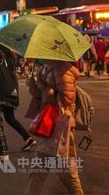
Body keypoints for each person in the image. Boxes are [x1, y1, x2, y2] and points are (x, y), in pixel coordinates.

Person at [26, 60, 84, 195]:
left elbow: (67, 103)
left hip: (61, 127)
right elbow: (41, 97)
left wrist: (44, 88)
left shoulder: (63, 70)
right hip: (49, 126)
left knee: (68, 174)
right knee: (37, 171)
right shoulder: (45, 67)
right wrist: (33, 86)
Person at [0, 45, 37, 151]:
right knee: (9, 118)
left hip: (6, 93)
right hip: (12, 91)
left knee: (6, 118)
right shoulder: (11, 59)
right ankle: (27, 138)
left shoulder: (4, 61)